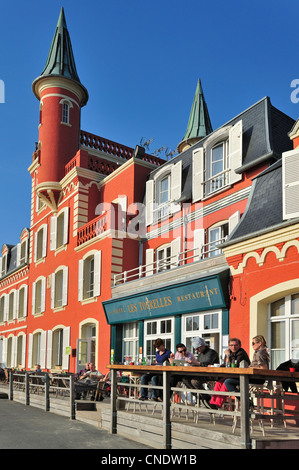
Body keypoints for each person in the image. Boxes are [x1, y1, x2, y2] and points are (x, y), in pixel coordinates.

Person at [210, 338, 250, 408]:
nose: (233, 347)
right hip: (231, 375)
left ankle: (218, 404)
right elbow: (226, 364)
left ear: (240, 345)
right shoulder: (229, 352)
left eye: (236, 345)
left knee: (225, 382)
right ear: (228, 345)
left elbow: (234, 365)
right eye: (231, 345)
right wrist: (217, 367)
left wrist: (228, 355)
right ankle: (213, 402)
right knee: (218, 382)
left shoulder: (241, 352)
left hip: (240, 376)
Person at [182, 337, 219, 408]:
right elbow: (199, 364)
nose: (196, 350)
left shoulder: (211, 352)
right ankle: (198, 396)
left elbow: (207, 363)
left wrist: (193, 362)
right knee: (185, 379)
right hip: (201, 373)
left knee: (194, 381)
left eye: (197, 348)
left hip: (211, 374)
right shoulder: (201, 353)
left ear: (203, 346)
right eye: (195, 348)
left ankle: (206, 398)